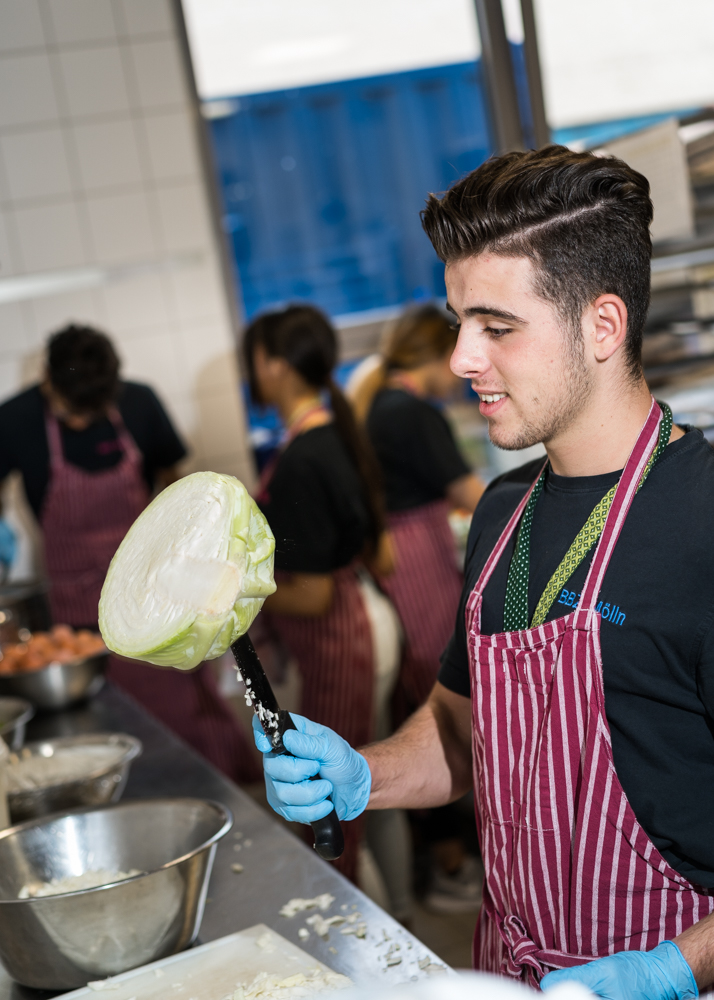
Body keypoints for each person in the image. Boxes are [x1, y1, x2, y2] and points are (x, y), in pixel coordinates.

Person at [252, 145, 714, 1000]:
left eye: (497, 327)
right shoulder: (505, 512)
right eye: (462, 321)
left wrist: (673, 971)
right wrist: (361, 774)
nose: (464, 357)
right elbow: (468, 735)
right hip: (506, 971)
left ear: (603, 326)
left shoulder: (701, 524)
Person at [0, 324, 259, 785]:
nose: (80, 421)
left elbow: (180, 489)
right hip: (77, 611)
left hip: (158, 596)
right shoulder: (15, 420)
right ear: (46, 379)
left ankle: (228, 797)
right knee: (115, 730)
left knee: (191, 721)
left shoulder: (139, 403)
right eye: (69, 410)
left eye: (93, 411)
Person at [244, 304, 407, 893]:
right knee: (372, 791)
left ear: (277, 366)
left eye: (256, 359)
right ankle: (401, 916)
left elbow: (310, 597)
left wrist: (234, 602)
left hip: (341, 635)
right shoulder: (332, 433)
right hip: (366, 620)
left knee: (332, 811)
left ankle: (368, 948)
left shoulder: (303, 459)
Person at [351, 305, 486, 913]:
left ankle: (442, 863)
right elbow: (477, 497)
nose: (463, 369)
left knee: (421, 702)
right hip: (420, 572)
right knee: (447, 705)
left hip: (399, 569)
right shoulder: (412, 414)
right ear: (434, 356)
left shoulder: (379, 404)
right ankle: (454, 868)